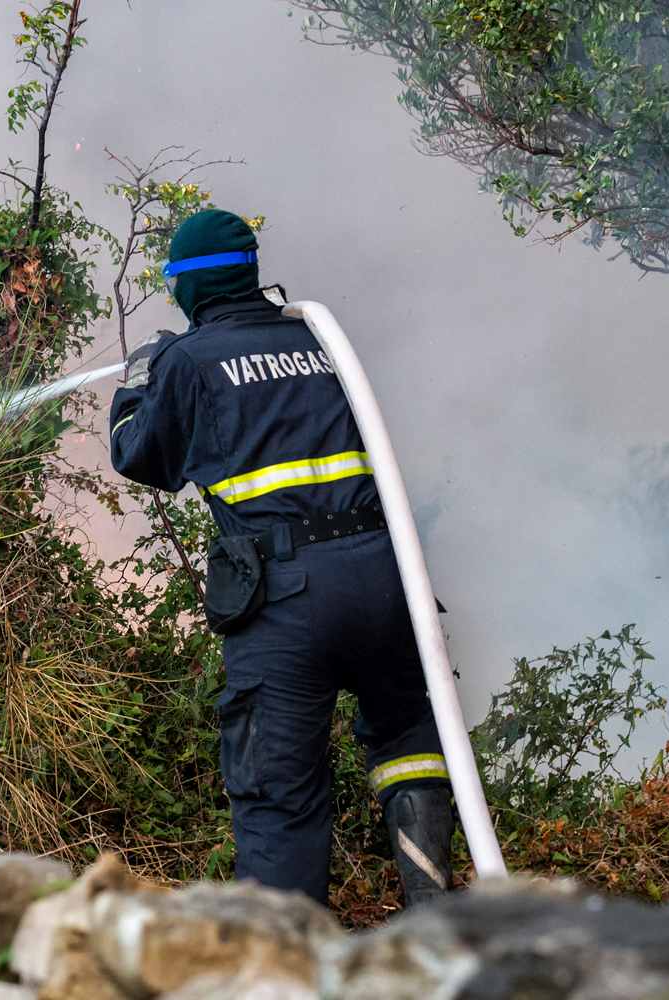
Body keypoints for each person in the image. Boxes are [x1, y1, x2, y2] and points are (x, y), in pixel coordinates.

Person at [108, 208, 453, 908]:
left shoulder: (187, 360)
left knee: (277, 792)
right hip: (387, 580)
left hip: (288, 597)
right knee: (408, 739)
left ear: (184, 286)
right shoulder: (319, 340)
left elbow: (137, 454)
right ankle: (435, 919)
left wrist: (137, 379)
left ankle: (286, 971)